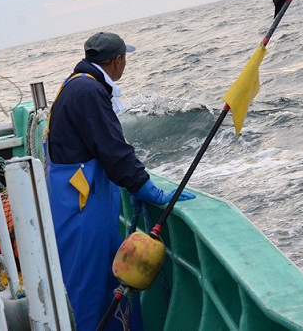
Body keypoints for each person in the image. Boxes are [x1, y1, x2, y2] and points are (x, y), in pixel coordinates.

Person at [44, 32, 195, 331]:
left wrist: (133, 185)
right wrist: (143, 187)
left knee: (106, 277)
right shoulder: (89, 92)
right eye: (125, 58)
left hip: (78, 197)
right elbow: (112, 148)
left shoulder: (75, 83)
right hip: (81, 204)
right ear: (117, 60)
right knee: (90, 283)